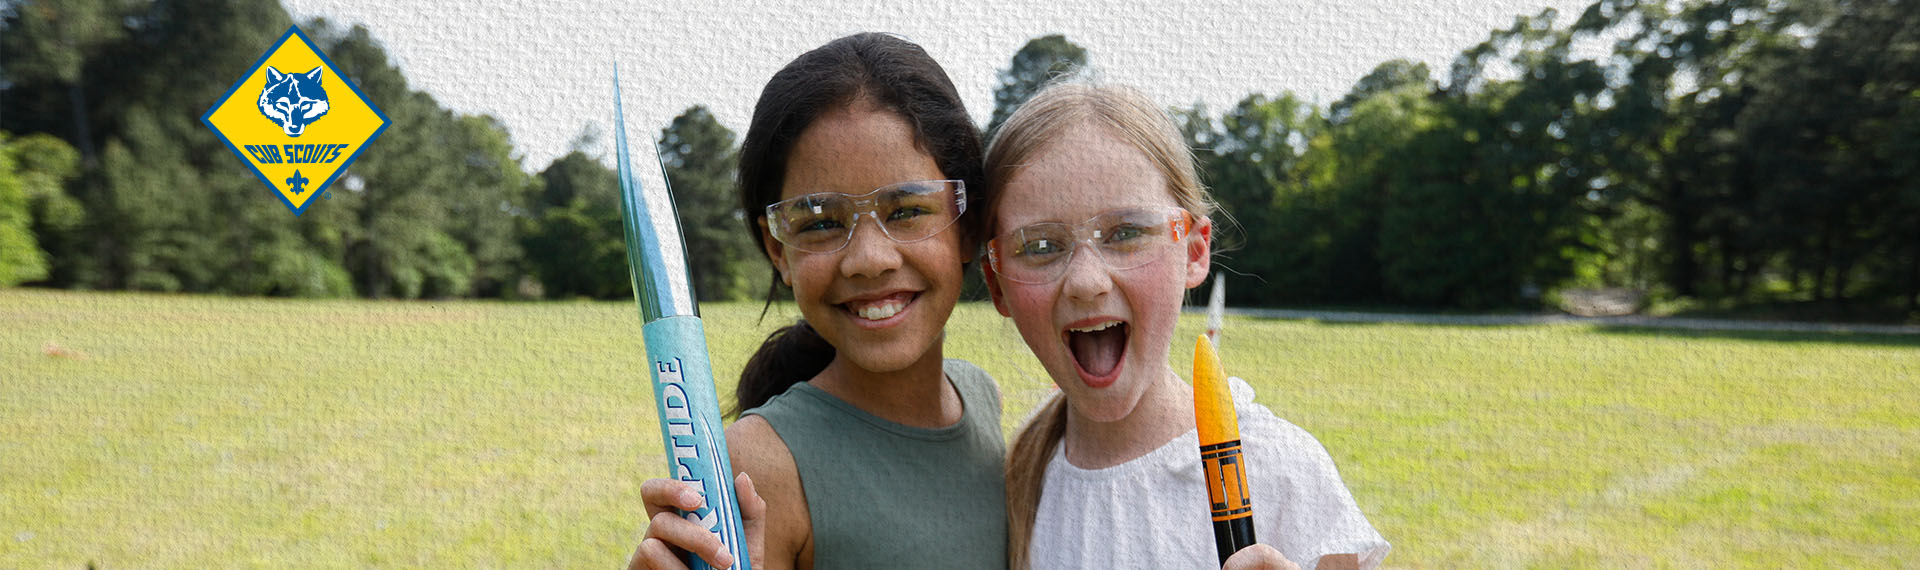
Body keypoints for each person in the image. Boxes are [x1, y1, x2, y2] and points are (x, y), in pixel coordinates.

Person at [627, 33, 1006, 570]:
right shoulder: (754, 468)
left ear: (966, 223)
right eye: (822, 222)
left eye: (906, 211)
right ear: (777, 250)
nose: (869, 259)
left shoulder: (981, 396)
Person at [981, 82, 1391, 570]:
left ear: (1194, 251)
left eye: (1126, 233)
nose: (1086, 282)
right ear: (997, 283)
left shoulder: (1281, 475)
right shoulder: (1007, 491)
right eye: (1041, 246)